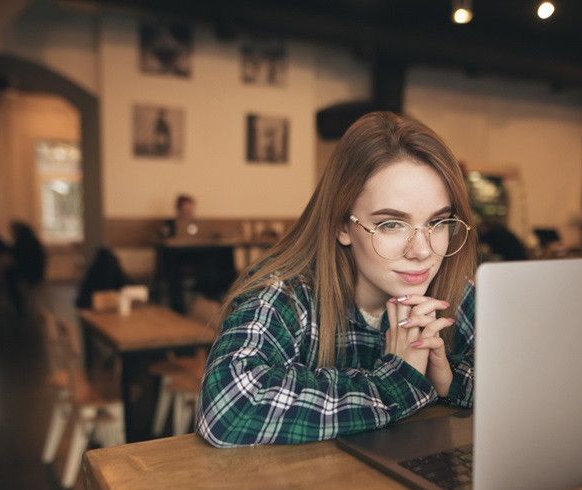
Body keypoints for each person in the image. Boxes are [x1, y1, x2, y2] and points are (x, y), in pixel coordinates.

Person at [197, 112, 477, 447]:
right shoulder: (286, 293)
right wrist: (396, 384)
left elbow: (537, 387)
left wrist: (450, 382)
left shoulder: (455, 292)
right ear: (341, 225)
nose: (422, 251)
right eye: (391, 224)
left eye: (437, 222)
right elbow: (228, 408)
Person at [10, 221, 47, 287]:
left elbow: (19, 255)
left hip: (29, 270)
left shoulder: (22, 241)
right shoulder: (32, 240)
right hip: (33, 269)